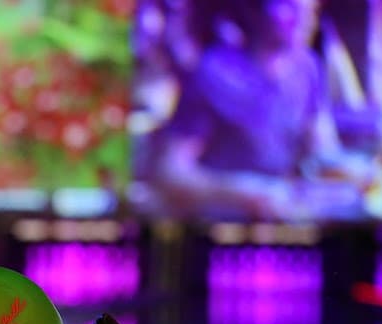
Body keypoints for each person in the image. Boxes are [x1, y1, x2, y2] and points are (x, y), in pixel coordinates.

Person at [145, 0, 345, 219]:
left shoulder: (308, 68)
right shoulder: (214, 72)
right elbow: (170, 172)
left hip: (284, 219)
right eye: (289, 5)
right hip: (224, 222)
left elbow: (322, 150)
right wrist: (244, 194)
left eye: (310, 8)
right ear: (255, 9)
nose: (303, 17)